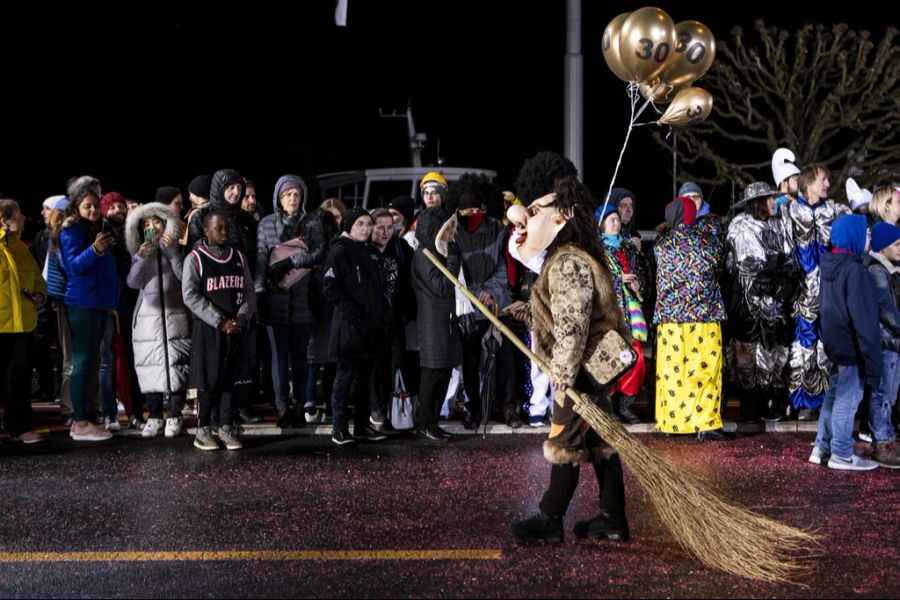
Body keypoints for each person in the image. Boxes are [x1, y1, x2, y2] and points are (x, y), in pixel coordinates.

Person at [508, 172, 631, 544]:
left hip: (579, 369)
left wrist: (562, 372)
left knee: (565, 442)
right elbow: (566, 316)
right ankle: (613, 517)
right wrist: (531, 315)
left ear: (560, 215)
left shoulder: (567, 261)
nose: (526, 218)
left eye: (534, 210)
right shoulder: (569, 258)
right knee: (600, 442)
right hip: (588, 366)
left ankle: (549, 519)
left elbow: (574, 323)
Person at [654, 196, 731, 440]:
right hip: (704, 316)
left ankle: (673, 422)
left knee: (673, 371)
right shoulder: (708, 243)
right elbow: (719, 267)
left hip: (670, 320)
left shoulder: (661, 245)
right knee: (705, 369)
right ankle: (706, 423)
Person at [811, 214, 881, 470]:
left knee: (833, 396)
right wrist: (872, 359)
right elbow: (864, 320)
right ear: (854, 236)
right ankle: (841, 452)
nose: (869, 237)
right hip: (850, 345)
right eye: (866, 233)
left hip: (834, 342)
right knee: (848, 399)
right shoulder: (854, 270)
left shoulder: (831, 265)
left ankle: (822, 446)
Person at [255, 174, 325, 428]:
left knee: (300, 356)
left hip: (304, 296)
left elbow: (319, 253)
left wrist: (292, 261)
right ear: (278, 198)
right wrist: (260, 292)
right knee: (278, 356)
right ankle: (282, 405)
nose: (292, 199)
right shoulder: (265, 224)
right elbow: (261, 259)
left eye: (296, 194)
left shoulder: (313, 222)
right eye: (287, 195)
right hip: (274, 296)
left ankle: (299, 405)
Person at [781, 164, 850, 421]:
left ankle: (823, 401)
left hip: (829, 295)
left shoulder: (834, 210)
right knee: (802, 348)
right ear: (809, 183)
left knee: (826, 347)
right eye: (824, 180)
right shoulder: (789, 210)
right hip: (801, 297)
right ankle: (799, 401)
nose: (828, 185)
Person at [182, 211, 256, 451]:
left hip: (235, 326)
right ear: (206, 231)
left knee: (229, 379)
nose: (225, 232)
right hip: (209, 328)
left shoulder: (238, 257)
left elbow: (249, 291)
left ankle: (225, 425)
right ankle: (203, 428)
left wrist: (243, 315)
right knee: (208, 379)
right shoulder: (195, 258)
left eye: (227, 228)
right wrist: (218, 320)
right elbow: (190, 295)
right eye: (219, 228)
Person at [725, 182, 796, 424]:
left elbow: (789, 257)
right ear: (757, 203)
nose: (774, 202)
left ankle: (768, 401)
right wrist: (779, 270)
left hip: (775, 304)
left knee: (774, 355)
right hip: (750, 307)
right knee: (749, 356)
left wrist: (785, 274)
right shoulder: (741, 227)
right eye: (769, 199)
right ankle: (751, 407)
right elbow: (753, 266)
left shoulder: (776, 224)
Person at [323, 208, 391, 445]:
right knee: (344, 378)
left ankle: (361, 426)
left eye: (367, 224)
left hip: (369, 329)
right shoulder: (340, 252)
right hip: (349, 328)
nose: (365, 228)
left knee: (365, 379)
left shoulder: (369, 252)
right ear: (348, 226)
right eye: (360, 224)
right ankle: (339, 428)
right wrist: (353, 314)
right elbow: (331, 288)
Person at [125, 202, 191, 438]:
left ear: (165, 224)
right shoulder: (139, 252)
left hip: (175, 315)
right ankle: (154, 415)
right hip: (147, 318)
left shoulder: (177, 248)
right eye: (146, 223)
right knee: (150, 365)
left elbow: (186, 278)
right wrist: (141, 258)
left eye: (156, 222)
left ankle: (174, 413)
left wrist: (173, 253)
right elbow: (132, 283)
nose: (152, 227)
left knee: (177, 363)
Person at [58, 186, 119, 441]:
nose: (93, 210)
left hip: (98, 302)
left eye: (96, 205)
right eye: (87, 206)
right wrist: (94, 250)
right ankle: (79, 421)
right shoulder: (71, 230)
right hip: (83, 303)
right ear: (77, 208)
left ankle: (86, 417)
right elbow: (73, 267)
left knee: (92, 361)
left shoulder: (96, 228)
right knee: (82, 362)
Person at [0, 198, 48, 443]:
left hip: (22, 324)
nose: (24, 218)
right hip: (1, 322)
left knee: (19, 378)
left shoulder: (20, 248)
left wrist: (39, 294)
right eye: (17, 214)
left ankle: (19, 427)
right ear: (4, 220)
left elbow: (39, 280)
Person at [596, 204, 647, 424]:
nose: (617, 223)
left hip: (631, 312)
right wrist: (619, 281)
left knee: (636, 359)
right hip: (608, 313)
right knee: (610, 358)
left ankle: (625, 404)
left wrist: (638, 285)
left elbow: (642, 274)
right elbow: (595, 281)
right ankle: (606, 405)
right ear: (602, 225)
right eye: (612, 220)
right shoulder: (596, 250)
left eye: (617, 219)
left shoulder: (628, 248)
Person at [862, 223, 900, 468]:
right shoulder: (877, 272)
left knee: (890, 391)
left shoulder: (891, 270)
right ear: (883, 246)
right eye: (897, 244)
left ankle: (887, 436)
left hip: (893, 343)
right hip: (885, 341)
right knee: (883, 393)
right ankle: (882, 440)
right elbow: (887, 310)